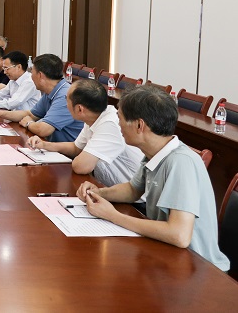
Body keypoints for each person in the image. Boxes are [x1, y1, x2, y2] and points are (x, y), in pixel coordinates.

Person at [76, 86, 230, 272]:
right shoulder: (155, 152)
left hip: (197, 268)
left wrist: (112, 215)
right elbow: (133, 190)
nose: (118, 124)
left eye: (120, 118)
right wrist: (98, 193)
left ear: (139, 125)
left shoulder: (181, 162)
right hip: (166, 256)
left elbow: (179, 235)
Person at [27, 79, 143, 187]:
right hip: (110, 189)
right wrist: (44, 145)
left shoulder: (109, 124)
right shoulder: (94, 117)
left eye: (67, 100)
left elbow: (81, 167)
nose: (65, 104)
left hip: (133, 197)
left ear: (79, 109)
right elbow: (76, 148)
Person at [0, 54, 83, 142]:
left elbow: (43, 130)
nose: (31, 77)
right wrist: (1, 114)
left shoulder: (65, 95)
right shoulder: (50, 91)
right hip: (53, 146)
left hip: (67, 153)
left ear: (40, 75)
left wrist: (29, 123)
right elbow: (30, 114)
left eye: (32, 73)